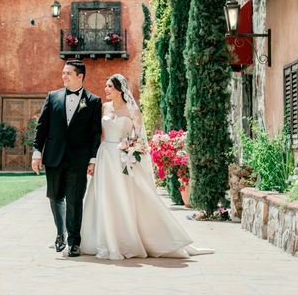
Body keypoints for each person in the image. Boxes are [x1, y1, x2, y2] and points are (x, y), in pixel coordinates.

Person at [80, 73, 214, 260]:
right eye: (106, 86)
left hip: (122, 158)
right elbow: (97, 134)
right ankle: (103, 239)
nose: (106, 89)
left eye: (110, 86)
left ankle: (128, 239)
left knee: (123, 197)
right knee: (104, 196)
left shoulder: (132, 111)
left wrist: (131, 148)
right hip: (105, 157)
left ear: (119, 89)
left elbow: (139, 139)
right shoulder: (104, 108)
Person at [32, 60, 102, 257]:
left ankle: (73, 241)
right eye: (63, 73)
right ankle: (60, 234)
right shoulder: (52, 97)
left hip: (78, 160)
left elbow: (94, 134)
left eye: (68, 73)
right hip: (54, 157)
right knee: (55, 197)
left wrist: (93, 159)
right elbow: (41, 128)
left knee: (74, 200)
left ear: (80, 76)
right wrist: (37, 153)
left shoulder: (94, 101)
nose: (64, 76)